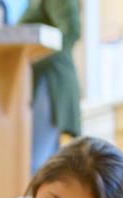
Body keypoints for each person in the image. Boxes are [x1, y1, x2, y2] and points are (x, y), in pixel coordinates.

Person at [19, 0, 81, 175]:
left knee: (34, 164)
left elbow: (71, 30)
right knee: (47, 167)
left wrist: (36, 57)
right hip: (42, 82)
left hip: (51, 82)